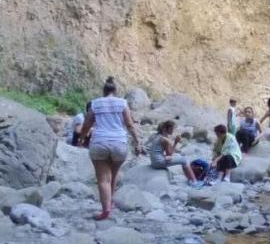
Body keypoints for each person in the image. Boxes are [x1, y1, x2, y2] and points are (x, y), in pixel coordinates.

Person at [80, 77, 142, 220]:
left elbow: (86, 125)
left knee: (103, 179)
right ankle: (111, 202)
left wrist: (82, 139)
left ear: (104, 91)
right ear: (115, 91)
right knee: (113, 176)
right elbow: (130, 125)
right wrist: (137, 142)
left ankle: (105, 210)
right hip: (119, 143)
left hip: (100, 142)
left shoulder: (95, 103)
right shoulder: (122, 103)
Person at [150, 120, 203, 188]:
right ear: (166, 129)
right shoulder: (165, 140)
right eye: (171, 129)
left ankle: (190, 180)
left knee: (181, 157)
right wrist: (176, 142)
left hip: (154, 162)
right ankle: (194, 182)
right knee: (185, 160)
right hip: (158, 162)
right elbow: (170, 154)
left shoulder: (158, 136)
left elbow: (162, 151)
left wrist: (173, 152)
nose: (173, 130)